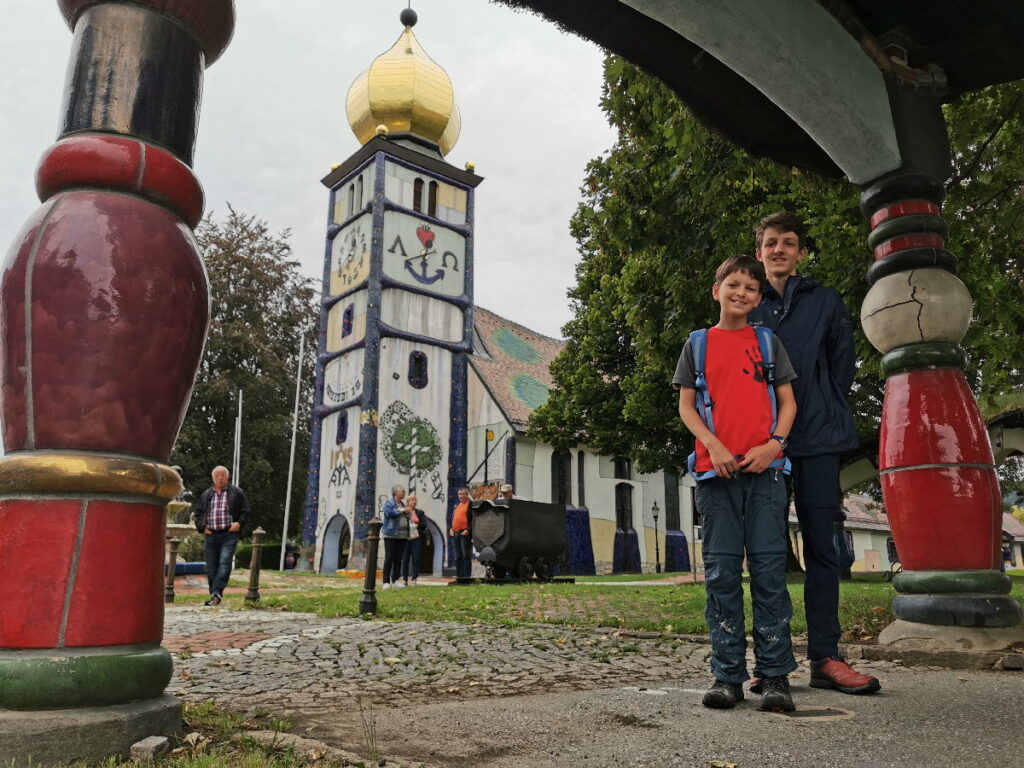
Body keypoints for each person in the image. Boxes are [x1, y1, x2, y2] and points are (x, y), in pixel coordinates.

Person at [748, 211, 881, 696]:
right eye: (770, 243)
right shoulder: (747, 302)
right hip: (761, 447)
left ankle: (826, 658)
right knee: (764, 553)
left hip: (820, 440)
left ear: (800, 251)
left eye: (788, 242)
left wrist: (819, 407)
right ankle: (772, 663)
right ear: (760, 252)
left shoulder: (825, 301)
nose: (779, 249)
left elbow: (841, 364)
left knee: (824, 550)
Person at [674, 254, 799, 712]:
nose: (742, 292)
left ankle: (774, 675)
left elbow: (788, 403)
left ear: (758, 297)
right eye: (733, 284)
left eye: (751, 287)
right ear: (717, 290)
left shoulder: (767, 343)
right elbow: (688, 407)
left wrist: (775, 444)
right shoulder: (698, 344)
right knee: (722, 575)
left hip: (766, 475)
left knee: (769, 574)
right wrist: (714, 446)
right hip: (715, 476)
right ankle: (726, 675)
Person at [194, 465, 250, 607]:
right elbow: (198, 514)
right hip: (211, 535)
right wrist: (202, 528)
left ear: (227, 477)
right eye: (217, 476)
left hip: (228, 534)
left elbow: (245, 510)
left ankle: (217, 592)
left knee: (225, 562)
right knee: (211, 567)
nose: (220, 478)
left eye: (222, 475)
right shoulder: (206, 495)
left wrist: (239, 523)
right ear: (212, 478)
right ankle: (214, 594)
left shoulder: (237, 493)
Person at [381, 484, 411, 589]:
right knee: (389, 558)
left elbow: (407, 517)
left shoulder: (403, 504)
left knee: (399, 559)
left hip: (403, 535)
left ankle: (395, 580)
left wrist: (408, 512)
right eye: (402, 491)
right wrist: (402, 510)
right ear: (396, 492)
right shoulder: (389, 503)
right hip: (391, 535)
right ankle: (386, 582)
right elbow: (388, 513)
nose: (404, 493)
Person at [401, 494, 426, 586]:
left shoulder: (420, 512)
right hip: (406, 539)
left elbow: (424, 524)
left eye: (415, 500)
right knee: (405, 560)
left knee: (416, 559)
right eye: (412, 500)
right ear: (408, 502)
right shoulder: (403, 512)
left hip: (416, 538)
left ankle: (415, 578)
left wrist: (418, 525)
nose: (414, 502)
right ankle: (404, 579)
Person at [449, 487, 472, 578]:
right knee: (458, 555)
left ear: (467, 495)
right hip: (455, 533)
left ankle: (466, 576)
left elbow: (473, 520)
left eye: (463, 494)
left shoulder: (470, 505)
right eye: (459, 494)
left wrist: (468, 530)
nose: (461, 496)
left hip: (464, 532)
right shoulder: (457, 506)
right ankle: (459, 575)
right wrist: (451, 528)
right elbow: (453, 519)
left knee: (466, 554)